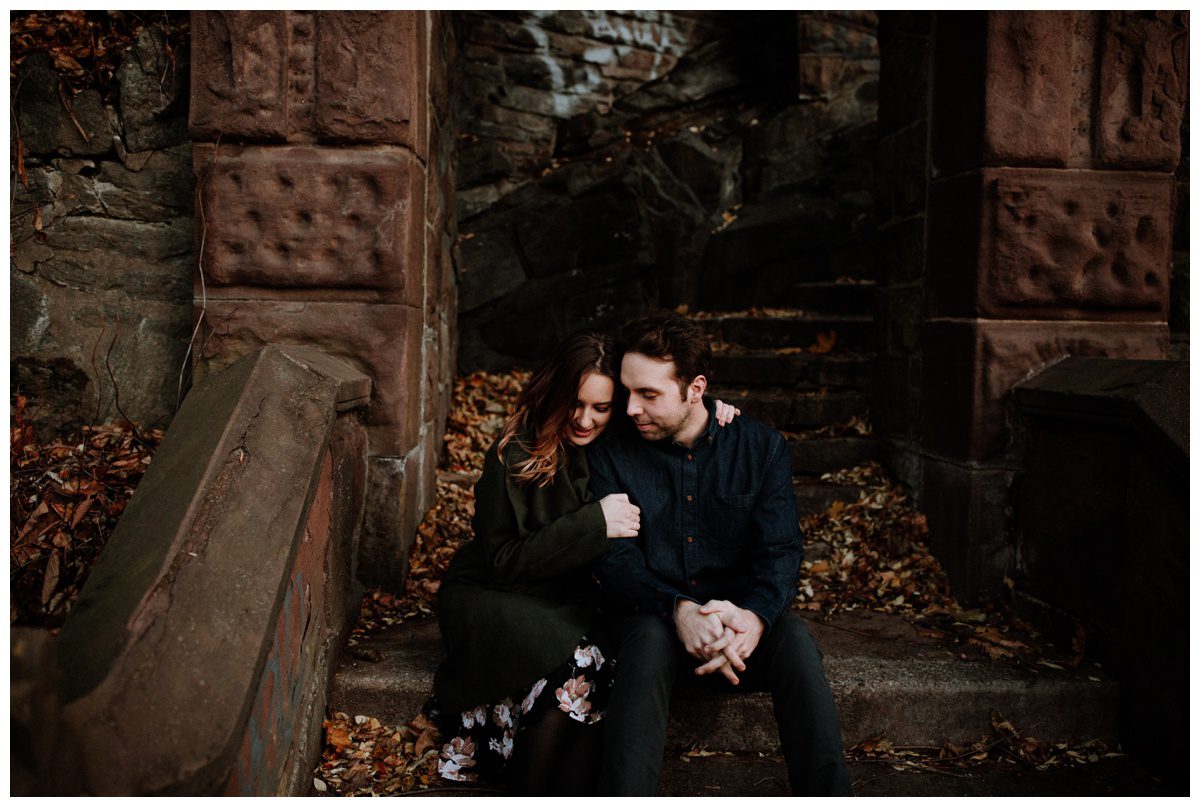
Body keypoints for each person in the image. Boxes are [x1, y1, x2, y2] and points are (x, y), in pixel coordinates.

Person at [430, 330, 739, 794]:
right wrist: (593, 524)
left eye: (601, 407)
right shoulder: (515, 452)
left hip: (566, 600)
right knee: (582, 662)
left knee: (610, 666)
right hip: (496, 594)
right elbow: (503, 561)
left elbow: (670, 408)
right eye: (575, 403)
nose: (585, 419)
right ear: (555, 392)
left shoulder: (618, 443)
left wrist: (710, 408)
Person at [586, 310, 852, 796]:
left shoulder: (760, 447)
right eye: (627, 391)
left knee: (793, 639)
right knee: (645, 640)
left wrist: (753, 620)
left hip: (737, 626)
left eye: (649, 394)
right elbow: (616, 562)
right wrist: (679, 610)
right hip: (653, 620)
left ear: (695, 389)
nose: (629, 408)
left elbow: (781, 550)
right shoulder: (611, 453)